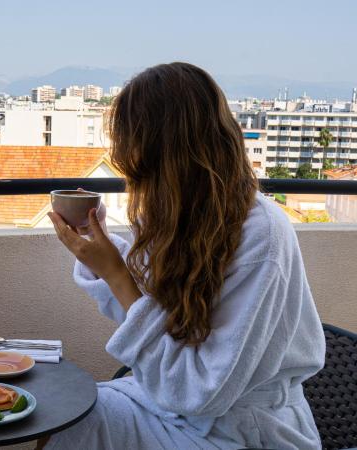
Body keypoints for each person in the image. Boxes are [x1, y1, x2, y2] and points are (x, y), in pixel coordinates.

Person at [44, 62, 325, 449]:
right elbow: (154, 315)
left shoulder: (262, 237)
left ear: (164, 152)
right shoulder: (178, 217)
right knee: (68, 422)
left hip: (244, 432)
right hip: (172, 410)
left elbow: (201, 392)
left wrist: (115, 274)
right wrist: (103, 248)